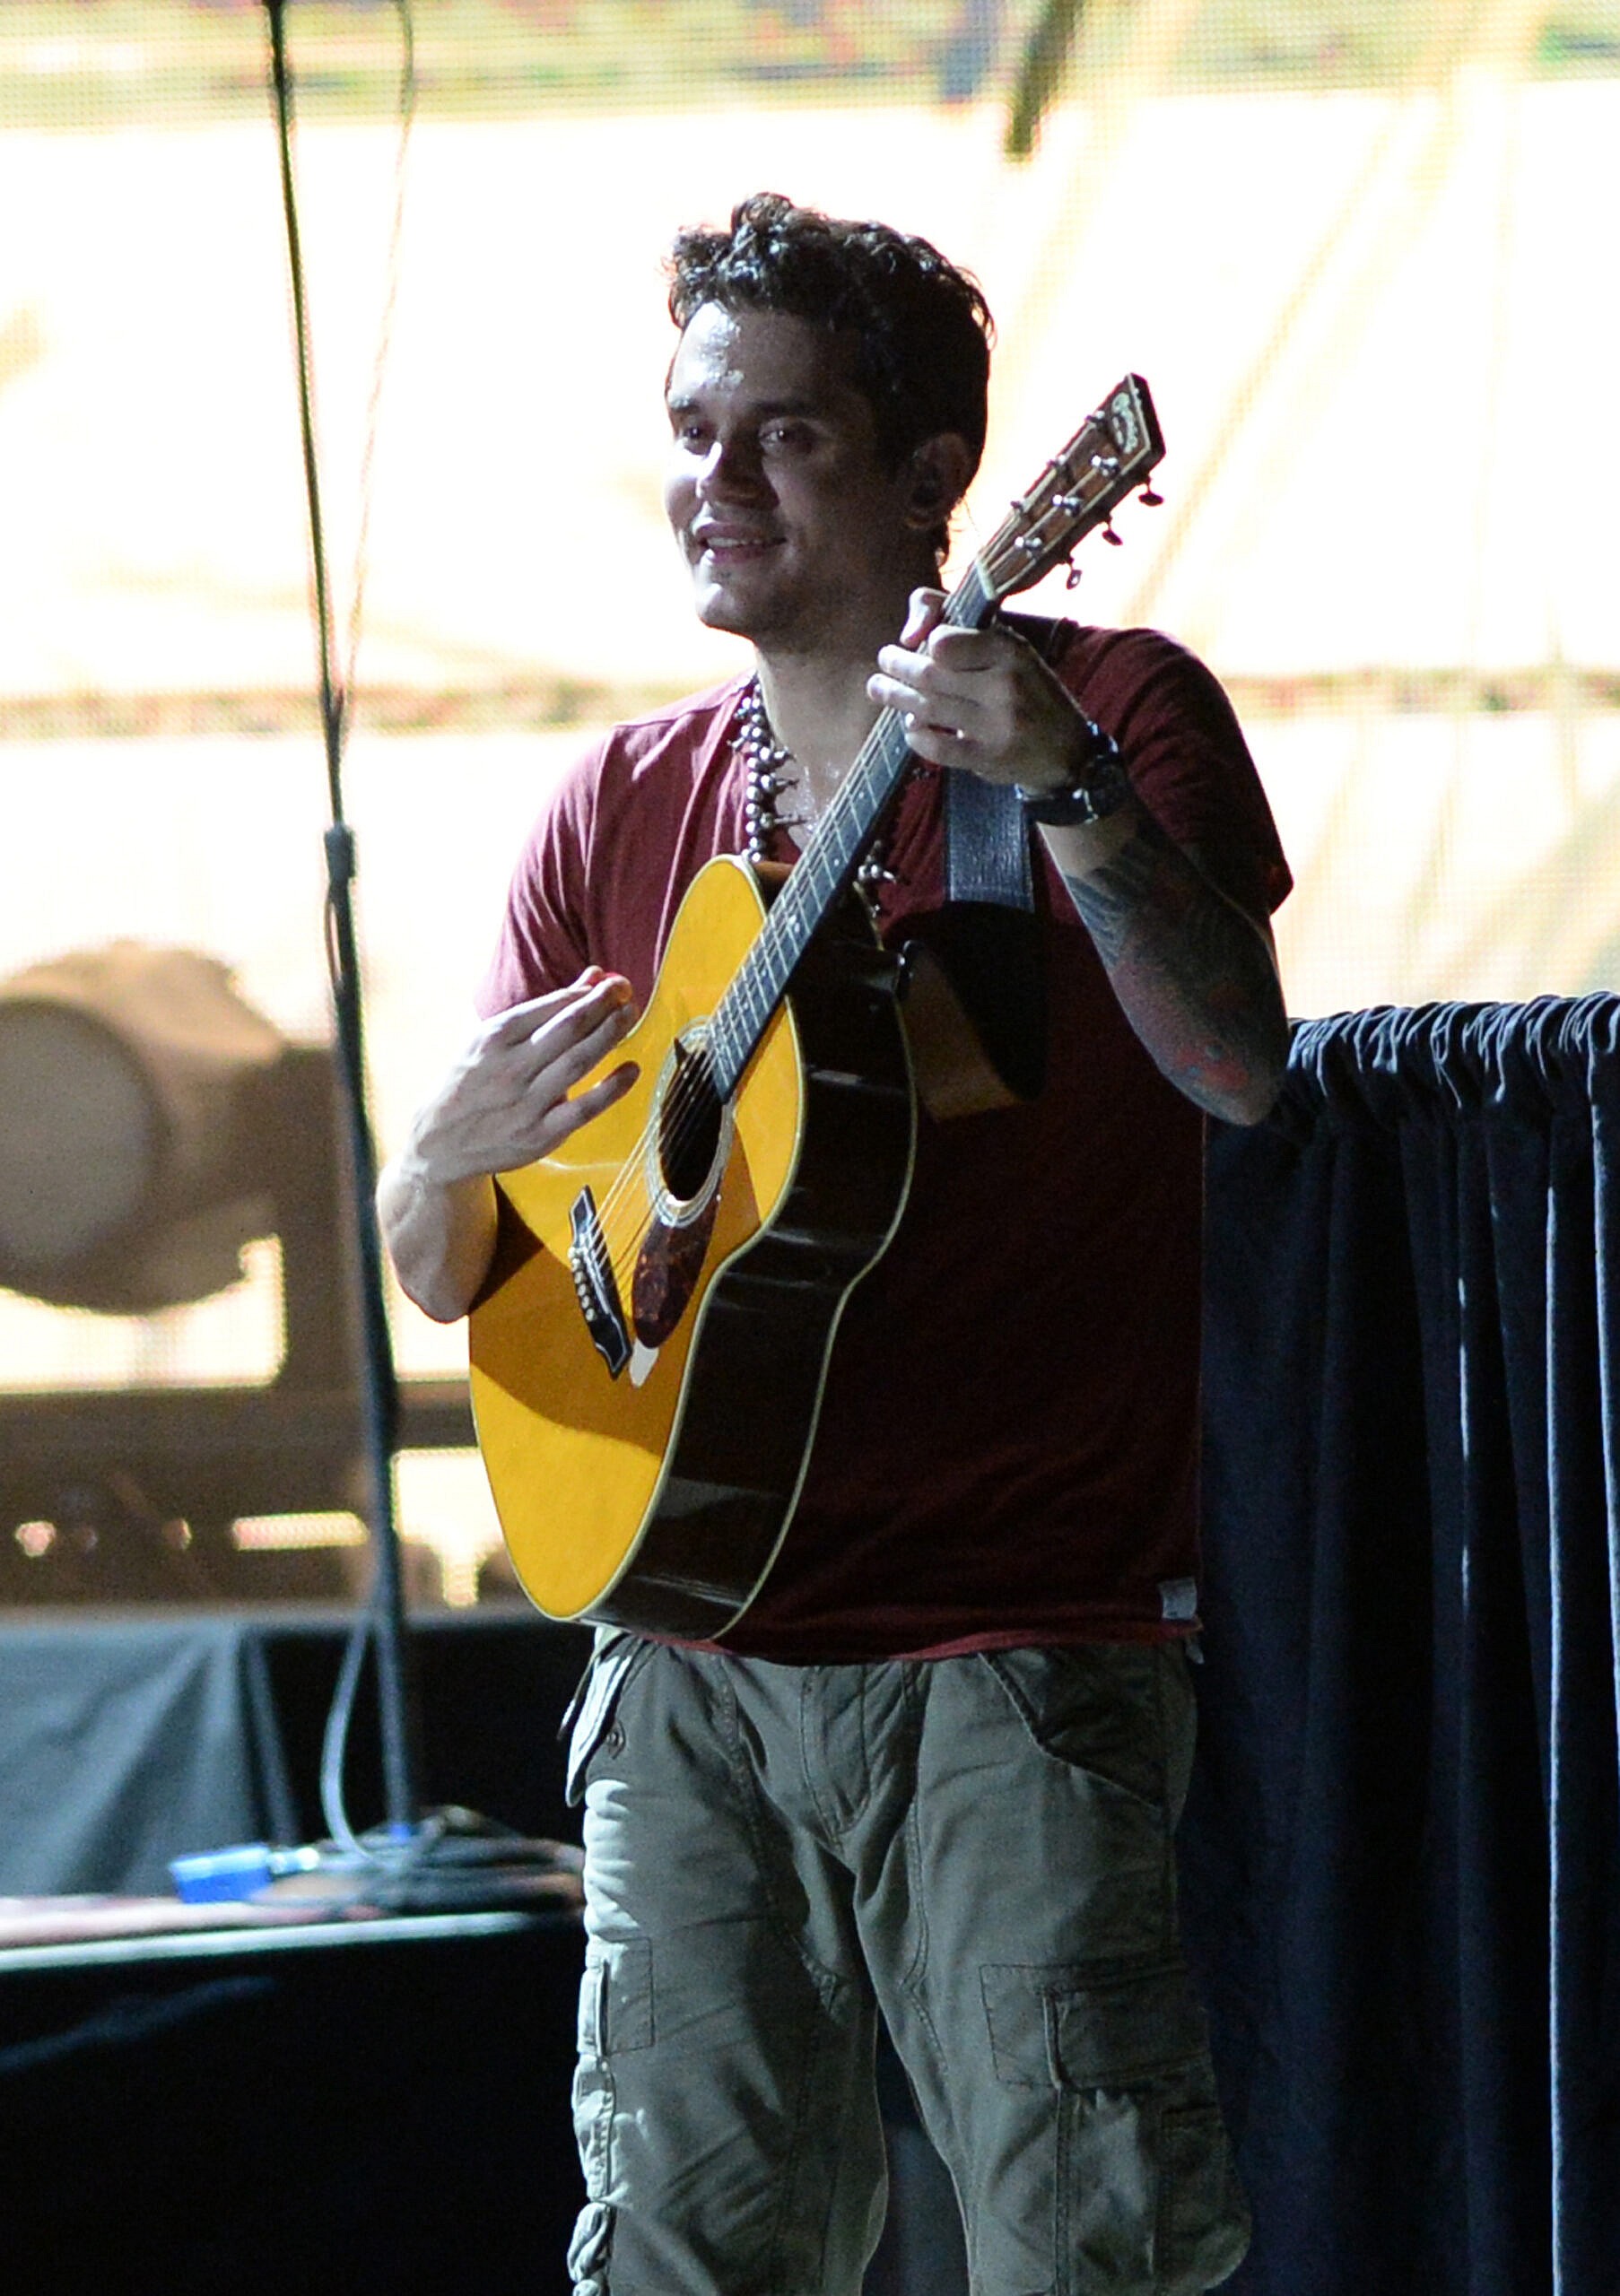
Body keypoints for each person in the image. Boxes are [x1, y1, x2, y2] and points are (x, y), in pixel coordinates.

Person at [379, 192, 1292, 2296]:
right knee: (691, 2255)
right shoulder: (615, 806)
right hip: (684, 1656)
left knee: (1088, 2248)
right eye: (694, 432)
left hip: (1014, 1644)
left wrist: (1061, 785)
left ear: (934, 477)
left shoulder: (1119, 707)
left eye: (780, 436)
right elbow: (461, 1266)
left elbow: (1239, 1070)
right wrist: (428, 1155)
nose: (714, 479)